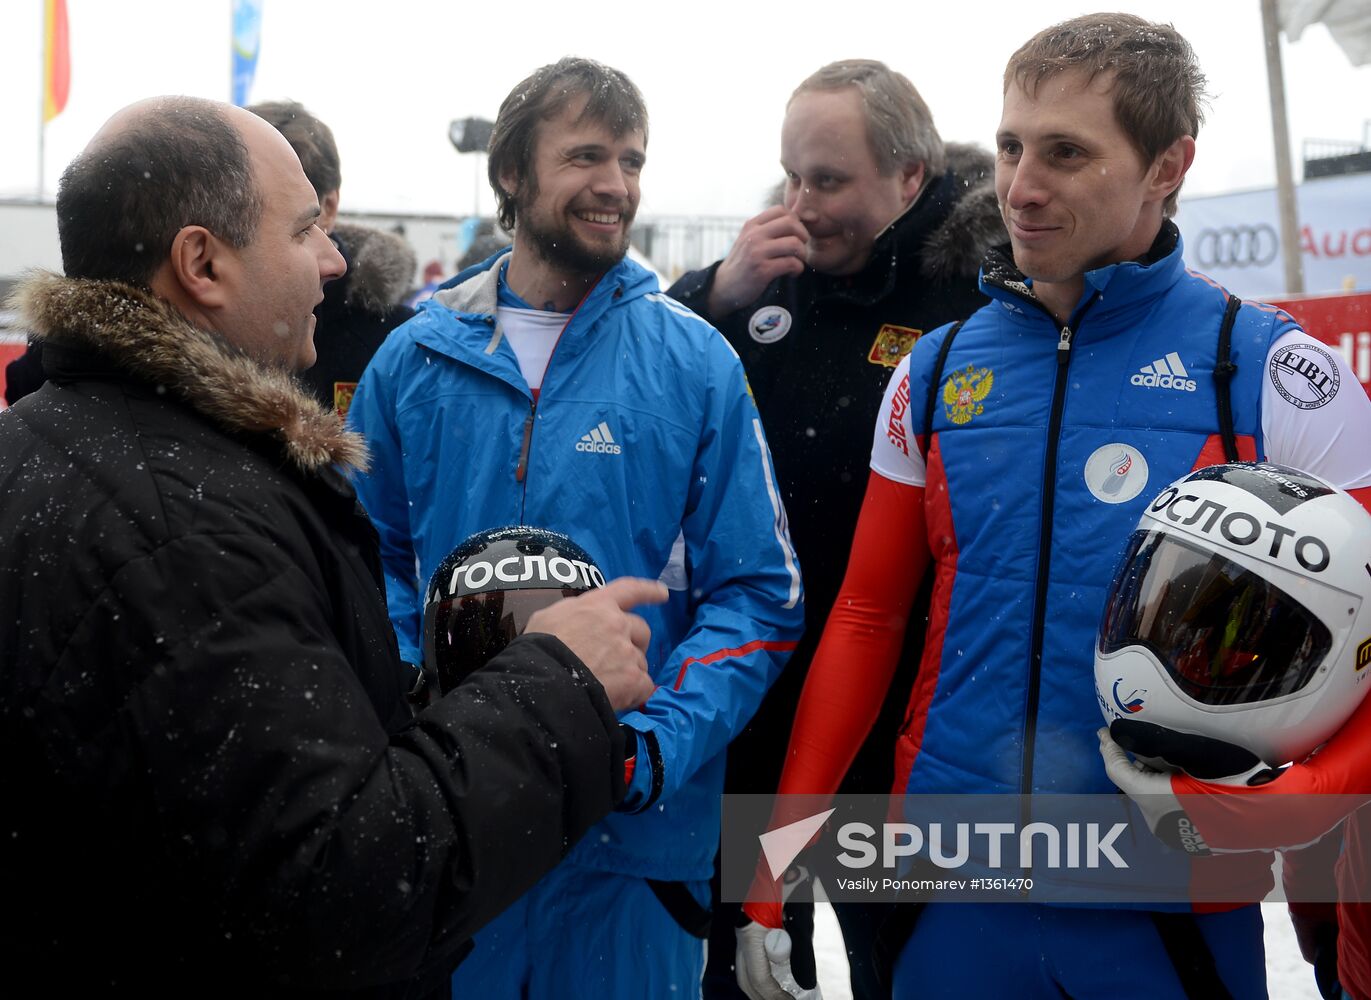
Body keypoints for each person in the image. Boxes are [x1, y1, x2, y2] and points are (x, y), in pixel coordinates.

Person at [736, 14, 1371, 1000]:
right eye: (1010, 145)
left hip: (1172, 910)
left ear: (1169, 164)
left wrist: (1300, 800)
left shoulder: (1272, 372)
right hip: (944, 890)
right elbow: (866, 619)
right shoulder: (935, 372)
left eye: (1066, 152)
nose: (1020, 187)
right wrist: (772, 874)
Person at [0, 95, 666, 997]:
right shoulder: (185, 528)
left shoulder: (58, 442)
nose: (335, 259)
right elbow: (345, 893)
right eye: (307, 228)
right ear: (202, 262)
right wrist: (559, 680)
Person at [346, 57, 804, 999]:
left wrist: (651, 746)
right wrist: (419, 691)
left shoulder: (694, 363)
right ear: (512, 173)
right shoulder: (412, 359)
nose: (617, 186)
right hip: (452, 820)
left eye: (631, 160)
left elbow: (760, 596)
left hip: (632, 844)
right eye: (586, 156)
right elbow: (367, 563)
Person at [667, 58, 1003, 997]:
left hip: (901, 702)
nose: (802, 203)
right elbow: (649, 365)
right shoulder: (764, 284)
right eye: (791, 176)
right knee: (744, 964)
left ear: (910, 178)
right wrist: (715, 298)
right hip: (763, 686)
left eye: (828, 180)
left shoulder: (974, 301)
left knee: (895, 960)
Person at [248, 99, 417, 420]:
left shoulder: (398, 339)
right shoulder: (204, 320)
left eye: (293, 213)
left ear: (329, 206)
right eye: (250, 209)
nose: (257, 229)